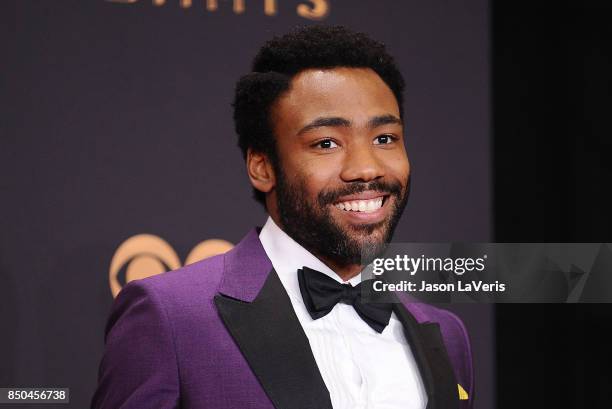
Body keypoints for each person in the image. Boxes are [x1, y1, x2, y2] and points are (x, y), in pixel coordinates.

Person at [92, 25, 474, 409]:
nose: (366, 168)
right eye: (326, 143)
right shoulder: (171, 317)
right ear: (262, 167)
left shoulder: (445, 334)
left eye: (384, 139)